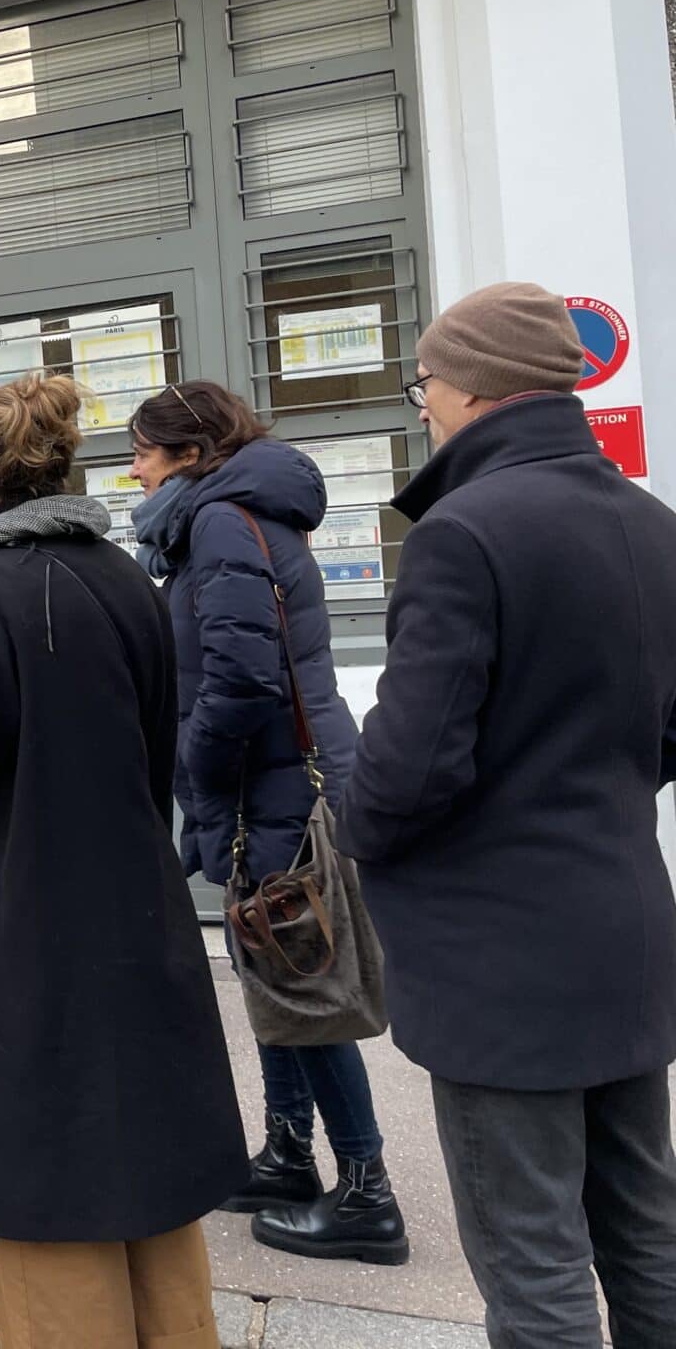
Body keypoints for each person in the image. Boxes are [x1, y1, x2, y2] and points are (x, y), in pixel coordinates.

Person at [337, 283, 676, 1347]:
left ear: (474, 388)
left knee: (530, 1264)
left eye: (424, 383)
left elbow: (408, 768)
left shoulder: (461, 532)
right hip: (623, 924)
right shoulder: (652, 524)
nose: (421, 404)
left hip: (498, 956)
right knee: (645, 1233)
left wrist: (356, 827)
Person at [0, 374, 245, 1349]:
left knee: (45, 1188)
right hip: (133, 903)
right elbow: (156, 734)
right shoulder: (125, 576)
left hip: (19, 919)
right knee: (147, 1174)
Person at [128, 380, 406, 1265]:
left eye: (141, 451)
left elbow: (243, 680)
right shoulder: (230, 513)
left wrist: (198, 770)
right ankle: (288, 1152)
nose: (131, 470)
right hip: (269, 779)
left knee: (301, 976)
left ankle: (368, 1191)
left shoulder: (218, 521)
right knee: (272, 961)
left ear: (189, 453)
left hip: (270, 783)